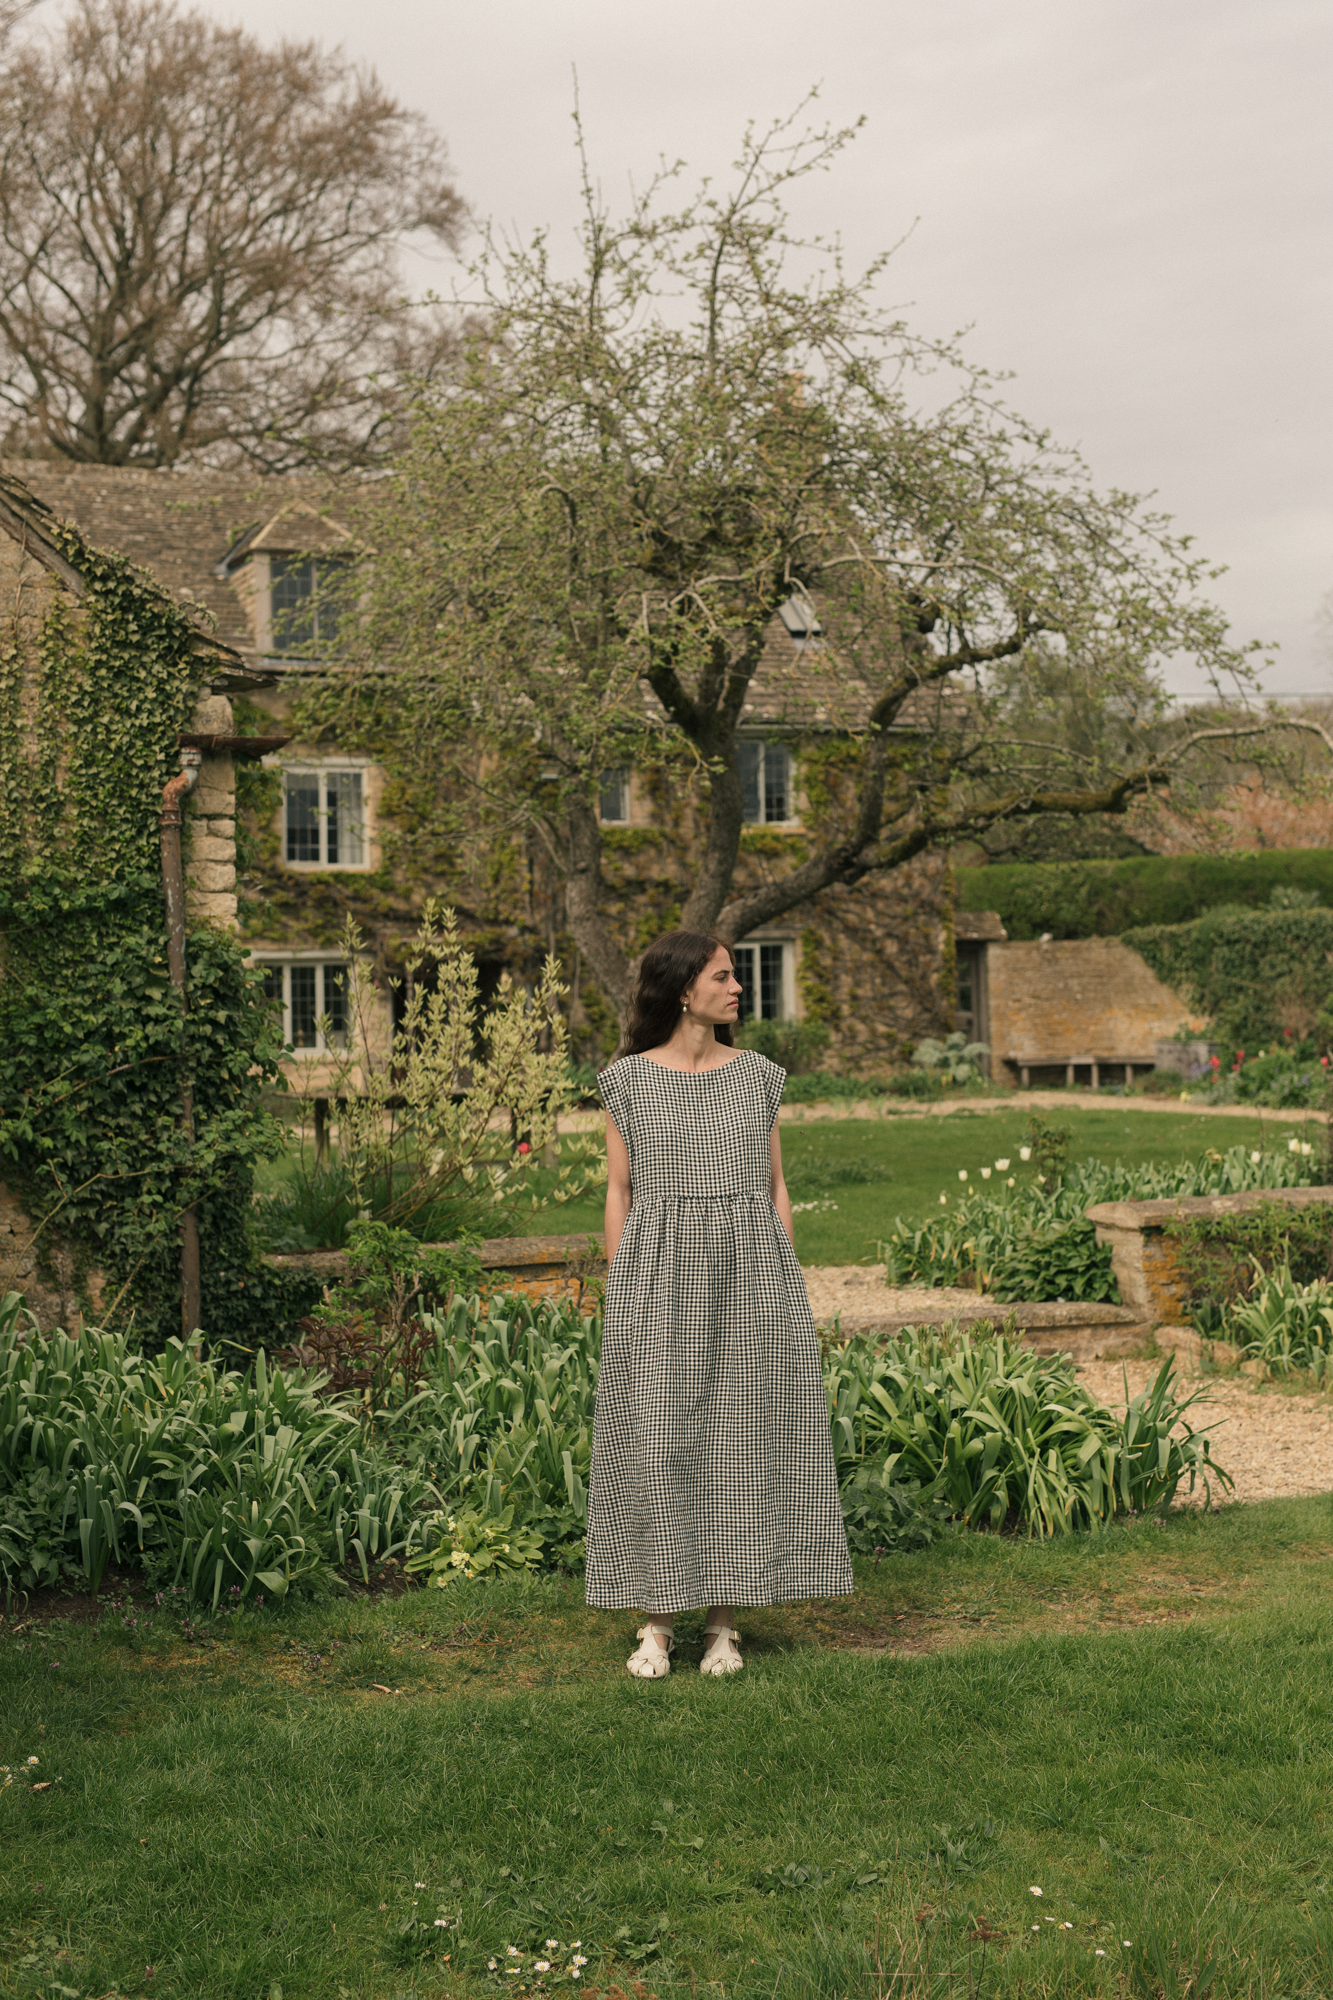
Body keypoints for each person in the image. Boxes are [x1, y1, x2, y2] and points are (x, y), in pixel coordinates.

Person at [585, 928, 853, 1678]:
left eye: (736, 978)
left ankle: (723, 1626)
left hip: (749, 1274)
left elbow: (774, 1186)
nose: (738, 989)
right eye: (724, 977)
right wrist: (623, 1291)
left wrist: (784, 1278)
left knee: (739, 1443)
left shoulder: (760, 1076)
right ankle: (656, 1623)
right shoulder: (627, 1081)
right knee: (661, 1439)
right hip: (659, 1277)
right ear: (681, 989)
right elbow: (620, 1191)